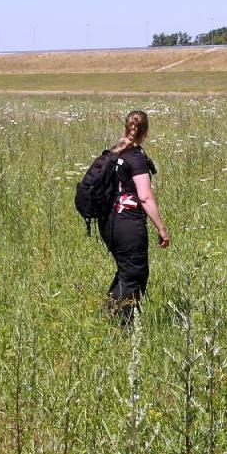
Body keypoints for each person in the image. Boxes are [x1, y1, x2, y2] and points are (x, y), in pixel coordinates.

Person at [99, 109, 169, 325]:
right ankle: (126, 328)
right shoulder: (136, 158)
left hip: (108, 222)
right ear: (145, 131)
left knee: (126, 272)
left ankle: (106, 319)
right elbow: (145, 197)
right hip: (128, 224)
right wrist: (161, 228)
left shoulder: (114, 153)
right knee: (136, 275)